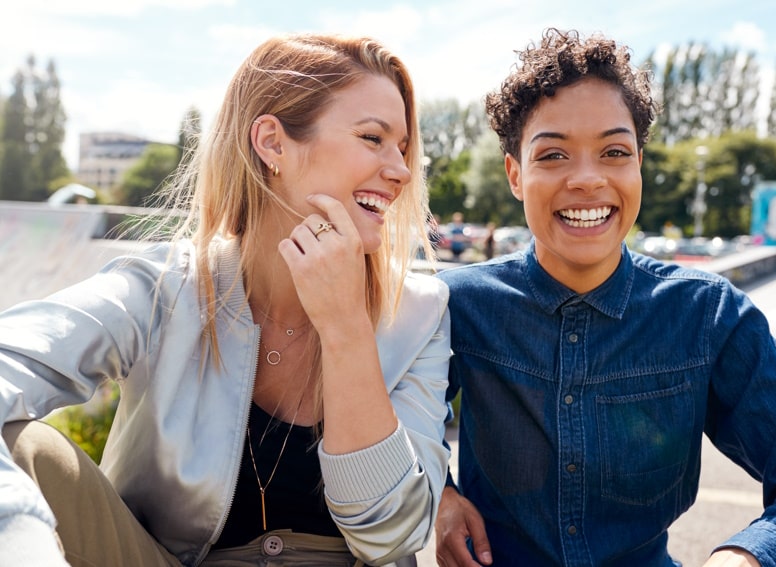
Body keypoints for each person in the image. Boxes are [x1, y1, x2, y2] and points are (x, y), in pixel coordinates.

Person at [0, 33, 451, 567]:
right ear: (272, 143)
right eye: (373, 138)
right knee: (29, 449)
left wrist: (346, 326)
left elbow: (394, 537)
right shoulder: (164, 288)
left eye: (402, 148)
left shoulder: (420, 311)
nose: (400, 170)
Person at [434, 28, 776, 566]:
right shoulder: (455, 305)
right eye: (554, 155)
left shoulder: (708, 316)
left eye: (613, 151)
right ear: (516, 174)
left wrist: (743, 559)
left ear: (639, 166)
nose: (587, 179)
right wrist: (438, 494)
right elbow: (384, 420)